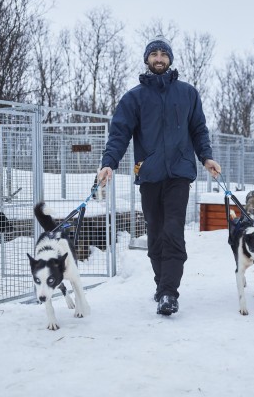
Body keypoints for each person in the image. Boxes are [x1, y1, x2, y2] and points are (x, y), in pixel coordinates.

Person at [97, 35, 221, 316]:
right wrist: (109, 163)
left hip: (179, 174)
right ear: (146, 60)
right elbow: (119, 134)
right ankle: (161, 284)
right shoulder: (134, 98)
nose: (159, 58)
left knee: (173, 230)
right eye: (154, 54)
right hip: (150, 175)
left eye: (163, 53)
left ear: (170, 59)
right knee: (155, 234)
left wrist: (207, 157)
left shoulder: (188, 94)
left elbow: (199, 130)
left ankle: (169, 293)